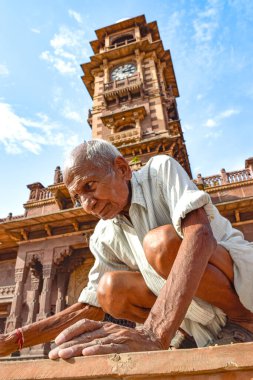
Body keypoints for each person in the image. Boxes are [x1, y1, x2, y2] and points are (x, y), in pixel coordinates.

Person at [1, 139, 253, 359]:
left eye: (90, 186)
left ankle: (243, 322)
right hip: (198, 317)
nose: (87, 204)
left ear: (122, 169)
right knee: (109, 289)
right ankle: (184, 334)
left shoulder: (160, 170)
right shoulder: (104, 234)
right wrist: (11, 341)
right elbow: (91, 307)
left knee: (160, 244)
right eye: (78, 197)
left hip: (243, 290)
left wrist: (154, 332)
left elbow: (200, 235)